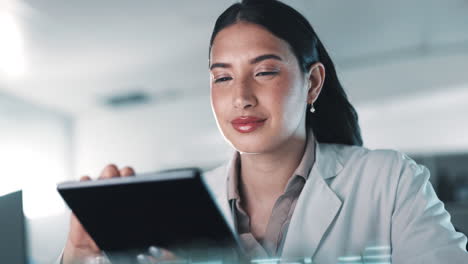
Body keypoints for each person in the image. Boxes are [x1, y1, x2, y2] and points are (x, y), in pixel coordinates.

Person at [59, 0, 468, 263]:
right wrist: (78, 253)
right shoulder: (177, 209)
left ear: (312, 83)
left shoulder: (389, 180)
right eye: (222, 78)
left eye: (265, 72)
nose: (241, 97)